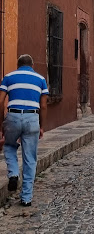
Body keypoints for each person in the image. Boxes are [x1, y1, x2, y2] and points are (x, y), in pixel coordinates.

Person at [0, 54, 48, 207]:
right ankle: (26, 198)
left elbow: (0, 101)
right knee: (30, 158)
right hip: (32, 117)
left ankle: (13, 173)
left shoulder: (8, 77)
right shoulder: (40, 80)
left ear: (18, 65)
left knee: (8, 145)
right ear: (32, 65)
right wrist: (41, 126)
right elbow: (44, 105)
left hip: (13, 115)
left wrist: (2, 123)